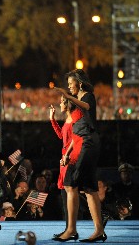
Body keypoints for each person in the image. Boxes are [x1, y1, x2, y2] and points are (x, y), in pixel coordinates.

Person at [53, 69, 106, 242]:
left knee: (70, 183)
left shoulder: (87, 97)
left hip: (88, 143)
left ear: (80, 83)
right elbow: (75, 132)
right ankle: (98, 230)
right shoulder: (76, 104)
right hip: (83, 143)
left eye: (70, 84)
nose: (69, 87)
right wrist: (68, 152)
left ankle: (71, 230)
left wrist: (67, 97)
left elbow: (87, 107)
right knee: (89, 188)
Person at [49, 95, 74, 236]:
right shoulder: (67, 120)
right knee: (65, 196)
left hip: (70, 160)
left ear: (68, 104)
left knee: (70, 195)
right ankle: (68, 229)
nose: (60, 104)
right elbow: (61, 136)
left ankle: (70, 229)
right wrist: (52, 119)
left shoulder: (74, 121)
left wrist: (67, 156)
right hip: (64, 160)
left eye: (61, 102)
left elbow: (75, 140)